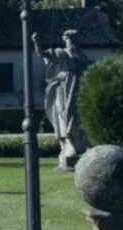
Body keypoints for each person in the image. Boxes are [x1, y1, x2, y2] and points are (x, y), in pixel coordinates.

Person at [32, 29, 91, 171]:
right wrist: (37, 42)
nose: (72, 41)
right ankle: (69, 144)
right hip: (63, 89)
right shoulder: (60, 53)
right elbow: (42, 54)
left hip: (79, 89)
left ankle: (81, 144)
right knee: (65, 115)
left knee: (79, 116)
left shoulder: (82, 55)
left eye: (74, 39)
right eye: (70, 39)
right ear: (65, 40)